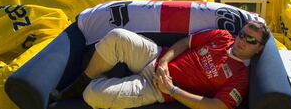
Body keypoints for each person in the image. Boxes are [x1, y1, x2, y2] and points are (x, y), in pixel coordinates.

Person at [52, 20, 270, 109]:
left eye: (251, 40)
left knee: (92, 95)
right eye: (243, 34)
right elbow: (185, 42)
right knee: (117, 36)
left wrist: (172, 90)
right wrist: (164, 62)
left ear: (259, 48)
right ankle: (78, 84)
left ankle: (96, 84)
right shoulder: (223, 36)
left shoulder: (242, 76)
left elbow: (216, 106)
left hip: (160, 90)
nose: (242, 40)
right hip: (156, 57)